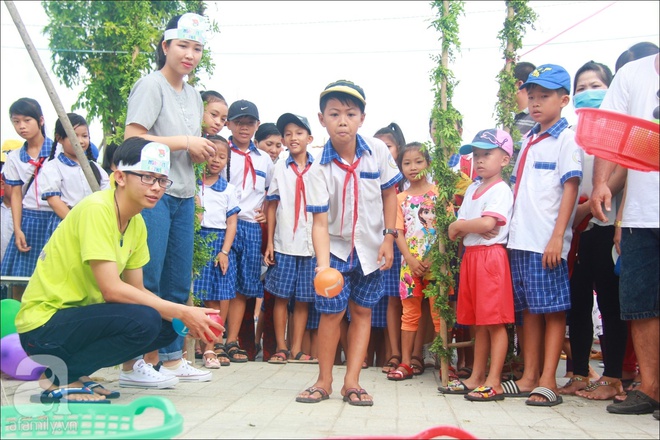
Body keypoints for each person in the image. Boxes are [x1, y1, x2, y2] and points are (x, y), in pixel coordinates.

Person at [15, 138, 224, 402]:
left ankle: (78, 373)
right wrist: (182, 310)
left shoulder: (136, 223)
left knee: (169, 325)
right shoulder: (97, 209)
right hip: (44, 327)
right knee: (150, 319)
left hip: (79, 319)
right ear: (120, 177)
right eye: (147, 177)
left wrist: (184, 318)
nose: (156, 187)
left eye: (161, 180)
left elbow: (137, 289)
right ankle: (57, 377)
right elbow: (112, 289)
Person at [295, 80, 402, 406]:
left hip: (372, 248)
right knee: (331, 313)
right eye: (335, 113)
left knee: (362, 311)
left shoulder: (378, 152)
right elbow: (320, 223)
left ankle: (352, 381)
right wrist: (323, 265)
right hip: (337, 250)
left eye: (350, 113)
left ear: (362, 118)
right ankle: (324, 380)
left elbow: (390, 195)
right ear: (321, 118)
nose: (343, 120)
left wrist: (389, 237)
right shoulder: (318, 169)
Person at [124, 13, 217, 383]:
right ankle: (135, 363)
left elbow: (183, 149)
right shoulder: (151, 85)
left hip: (183, 194)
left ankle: (172, 359)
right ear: (166, 46)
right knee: (148, 279)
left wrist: (195, 153)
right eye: (182, 45)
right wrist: (185, 142)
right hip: (151, 195)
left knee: (179, 283)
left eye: (197, 48)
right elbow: (133, 138)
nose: (189, 54)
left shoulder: (194, 95)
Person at [506, 64, 583, 406]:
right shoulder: (529, 138)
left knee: (552, 310)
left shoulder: (567, 138)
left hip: (545, 242)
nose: (536, 103)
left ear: (564, 100)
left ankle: (549, 378)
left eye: (545, 96)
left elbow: (570, 187)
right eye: (532, 96)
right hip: (520, 239)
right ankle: (529, 375)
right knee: (530, 311)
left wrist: (557, 237)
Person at [590, 52, 659, 416]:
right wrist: (601, 183)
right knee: (641, 303)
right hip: (640, 214)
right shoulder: (633, 74)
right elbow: (608, 134)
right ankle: (650, 389)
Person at [557, 61, 629, 401]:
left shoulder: (619, 129)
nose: (588, 93)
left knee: (611, 304)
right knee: (578, 302)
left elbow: (623, 173)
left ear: (611, 88)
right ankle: (580, 372)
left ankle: (614, 376)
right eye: (581, 88)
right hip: (578, 232)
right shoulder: (572, 135)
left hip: (607, 224)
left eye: (595, 86)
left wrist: (589, 208)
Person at [441, 129, 515, 401]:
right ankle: (476, 377)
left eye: (487, 154)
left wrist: (460, 225)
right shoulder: (473, 187)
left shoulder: (501, 190)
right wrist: (465, 226)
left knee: (494, 322)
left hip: (490, 257)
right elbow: (469, 227)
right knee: (479, 322)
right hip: (471, 257)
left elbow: (486, 224)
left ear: (505, 160)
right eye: (477, 155)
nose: (480, 160)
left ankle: (494, 381)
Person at [263, 112, 317, 364]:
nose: (293, 137)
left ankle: (296, 348)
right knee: (281, 296)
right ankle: (281, 347)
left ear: (310, 137)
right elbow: (272, 205)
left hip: (312, 245)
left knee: (304, 298)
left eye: (298, 133)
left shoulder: (320, 168)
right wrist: (271, 242)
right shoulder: (279, 168)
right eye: (288, 134)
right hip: (285, 241)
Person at [223, 99, 273, 363]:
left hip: (252, 227)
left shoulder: (264, 159)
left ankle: (232, 341)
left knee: (244, 286)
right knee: (223, 283)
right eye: (239, 122)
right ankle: (214, 342)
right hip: (225, 225)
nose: (244, 128)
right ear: (228, 124)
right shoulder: (221, 152)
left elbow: (272, 194)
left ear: (257, 125)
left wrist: (266, 211)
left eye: (249, 123)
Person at [386, 142, 440, 381]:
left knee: (439, 313)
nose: (413, 167)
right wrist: (409, 258)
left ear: (427, 163)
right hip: (409, 266)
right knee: (409, 314)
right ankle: (406, 362)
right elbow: (397, 231)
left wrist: (430, 258)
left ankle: (445, 364)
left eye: (418, 161)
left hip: (436, 265)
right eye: (407, 163)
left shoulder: (439, 193)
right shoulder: (399, 198)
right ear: (400, 167)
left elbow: (446, 228)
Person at [193, 135, 240, 369]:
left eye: (222, 157)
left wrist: (224, 251)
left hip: (217, 243)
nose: (216, 161)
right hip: (194, 239)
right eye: (212, 154)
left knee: (213, 297)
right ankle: (191, 348)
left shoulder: (229, 189)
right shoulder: (191, 183)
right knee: (193, 295)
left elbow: (231, 224)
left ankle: (211, 345)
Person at [1, 98, 56, 291]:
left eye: (27, 120)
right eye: (16, 122)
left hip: (57, 217)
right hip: (29, 219)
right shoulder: (14, 157)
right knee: (20, 281)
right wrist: (17, 229)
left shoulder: (59, 152)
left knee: (53, 280)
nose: (21, 126)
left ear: (40, 120)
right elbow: (16, 195)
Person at [373, 123, 406, 374]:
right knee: (377, 303)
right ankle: (384, 355)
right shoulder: (370, 176)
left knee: (397, 300)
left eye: (388, 146)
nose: (382, 151)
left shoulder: (406, 180)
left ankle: (399, 355)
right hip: (375, 246)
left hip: (401, 249)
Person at [41, 113, 110, 231]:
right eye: (74, 136)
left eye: (84, 136)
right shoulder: (53, 167)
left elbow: (106, 196)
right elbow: (53, 200)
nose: (81, 141)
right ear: (59, 138)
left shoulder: (95, 168)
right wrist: (76, 224)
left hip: (93, 222)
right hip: (66, 224)